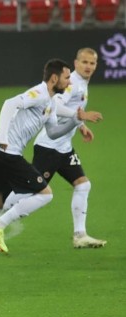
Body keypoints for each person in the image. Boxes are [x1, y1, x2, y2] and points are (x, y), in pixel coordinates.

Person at [0, 59, 102, 266]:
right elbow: (9, 104)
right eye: (66, 78)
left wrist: (76, 120)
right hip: (5, 152)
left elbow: (53, 133)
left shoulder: (52, 102)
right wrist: (2, 136)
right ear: (54, 78)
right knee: (45, 194)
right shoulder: (39, 93)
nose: (69, 82)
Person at [32, 48, 106, 249]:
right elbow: (54, 105)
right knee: (31, 192)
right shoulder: (72, 84)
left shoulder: (81, 84)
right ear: (75, 63)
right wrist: (80, 116)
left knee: (83, 185)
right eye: (84, 62)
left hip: (63, 147)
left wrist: (81, 126)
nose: (88, 66)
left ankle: (80, 235)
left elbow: (72, 112)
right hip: (50, 146)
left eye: (92, 63)